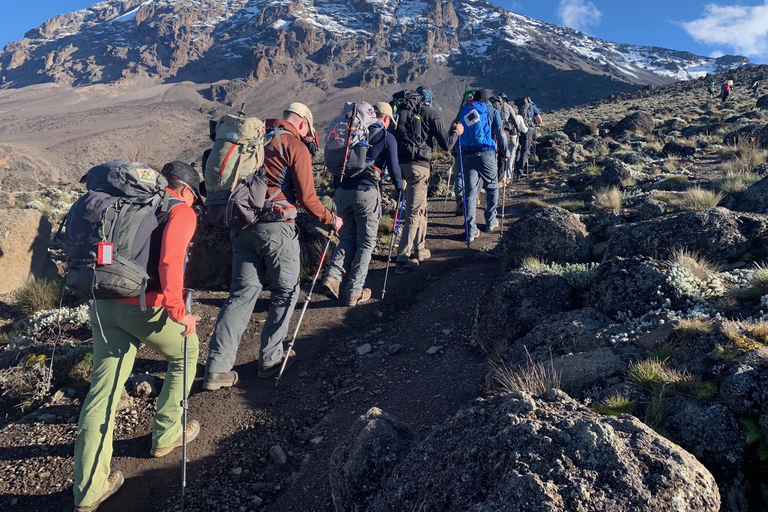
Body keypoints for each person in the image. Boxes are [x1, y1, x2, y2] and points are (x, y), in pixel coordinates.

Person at [73, 161, 201, 512]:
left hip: (102, 304)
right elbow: (170, 263)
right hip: (146, 307)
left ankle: (88, 490)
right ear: (186, 190)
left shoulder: (124, 203)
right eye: (195, 198)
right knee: (187, 350)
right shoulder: (180, 210)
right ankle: (167, 434)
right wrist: (179, 311)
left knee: (103, 394)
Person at [203, 103, 343, 389]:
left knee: (241, 294)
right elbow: (307, 198)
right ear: (303, 123)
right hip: (276, 228)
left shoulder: (255, 137)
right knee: (286, 290)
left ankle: (217, 367)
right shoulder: (294, 144)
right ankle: (271, 359)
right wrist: (331, 219)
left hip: (240, 225)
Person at [321, 102, 405, 305]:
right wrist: (401, 185)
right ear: (385, 118)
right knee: (366, 243)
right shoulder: (386, 137)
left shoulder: (352, 132)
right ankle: (354, 291)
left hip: (342, 192)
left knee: (347, 239)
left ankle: (333, 277)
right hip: (366, 193)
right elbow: (394, 171)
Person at [393, 86, 463, 274]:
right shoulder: (432, 114)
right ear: (429, 99)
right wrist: (457, 132)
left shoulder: (402, 114)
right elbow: (446, 145)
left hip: (401, 166)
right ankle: (403, 258)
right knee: (415, 212)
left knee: (421, 208)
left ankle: (420, 249)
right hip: (420, 168)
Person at [458, 88, 508, 243]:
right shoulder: (492, 111)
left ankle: (470, 230)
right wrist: (505, 153)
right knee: (492, 186)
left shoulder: (465, 110)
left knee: (470, 192)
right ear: (486, 100)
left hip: (467, 155)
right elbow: (500, 133)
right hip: (486, 154)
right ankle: (490, 221)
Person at [514, 96, 543, 177]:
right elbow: (539, 120)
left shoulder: (517, 107)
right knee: (525, 149)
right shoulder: (532, 107)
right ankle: (520, 170)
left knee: (518, 148)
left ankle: (515, 167)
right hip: (528, 130)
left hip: (517, 130)